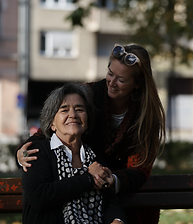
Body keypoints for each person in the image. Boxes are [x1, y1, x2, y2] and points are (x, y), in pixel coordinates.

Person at [18, 44, 166, 224]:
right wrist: (22, 152)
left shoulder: (147, 115)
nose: (111, 82)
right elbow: (54, 123)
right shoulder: (90, 94)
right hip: (82, 184)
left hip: (116, 191)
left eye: (121, 79)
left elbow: (140, 168)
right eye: (110, 73)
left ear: (137, 84)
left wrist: (112, 181)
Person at [22, 83, 127, 224]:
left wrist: (117, 220)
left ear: (87, 121)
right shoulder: (38, 152)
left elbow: (110, 202)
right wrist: (88, 178)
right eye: (64, 110)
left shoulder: (95, 159)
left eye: (79, 109)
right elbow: (39, 197)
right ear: (52, 123)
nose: (73, 115)